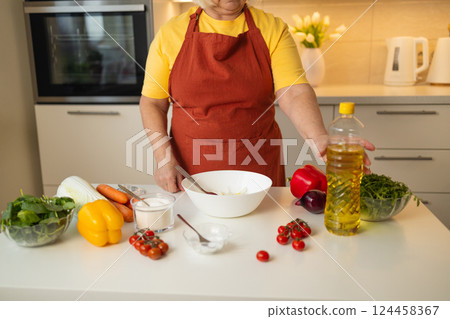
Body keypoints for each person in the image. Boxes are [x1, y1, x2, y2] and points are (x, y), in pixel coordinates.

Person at [139, 0, 374, 193]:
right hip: (190, 171)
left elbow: (293, 91)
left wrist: (318, 137)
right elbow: (153, 103)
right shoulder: (170, 33)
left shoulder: (272, 28)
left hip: (258, 171)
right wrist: (164, 159)